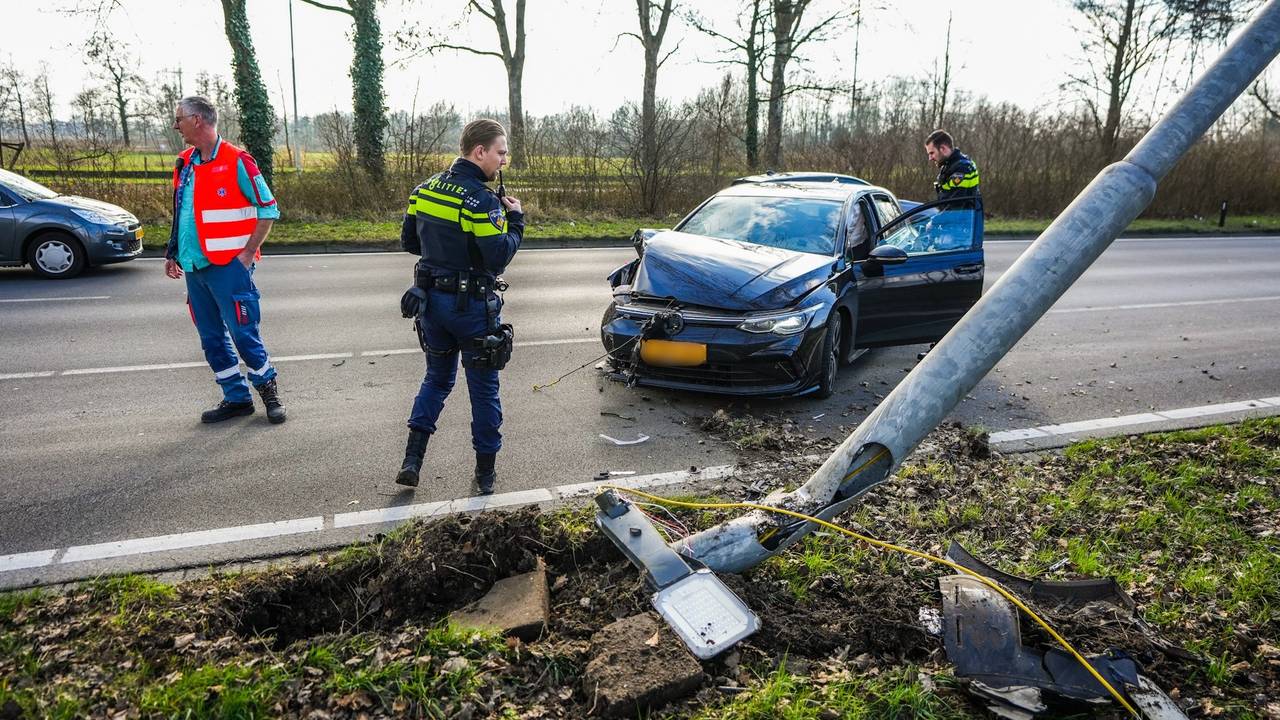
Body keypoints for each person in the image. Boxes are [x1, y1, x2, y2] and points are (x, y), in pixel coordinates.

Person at [395, 119, 525, 494]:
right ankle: (485, 476)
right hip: (472, 311)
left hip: (431, 306)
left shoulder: (425, 190)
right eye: (500, 152)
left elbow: (410, 242)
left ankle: (412, 462)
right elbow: (498, 256)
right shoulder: (482, 202)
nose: (503, 161)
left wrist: (444, 253)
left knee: (435, 380)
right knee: (484, 390)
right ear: (479, 151)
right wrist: (515, 219)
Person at [163, 96, 285, 425]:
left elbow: (268, 209)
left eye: (179, 119)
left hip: (229, 268)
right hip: (194, 266)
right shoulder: (184, 162)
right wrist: (173, 251)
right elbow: (183, 212)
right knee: (211, 338)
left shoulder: (238, 161)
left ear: (198, 120)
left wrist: (246, 255)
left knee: (243, 334)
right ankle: (236, 398)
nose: (176, 126)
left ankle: (269, 393)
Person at [924, 129, 980, 201]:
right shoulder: (949, 165)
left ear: (943, 149)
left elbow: (955, 207)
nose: (930, 158)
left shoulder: (962, 169)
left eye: (932, 153)